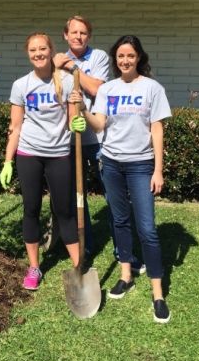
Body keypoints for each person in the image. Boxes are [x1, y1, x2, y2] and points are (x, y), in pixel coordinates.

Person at [69, 35, 172, 323]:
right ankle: (126, 275)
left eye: (130, 56)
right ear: (115, 60)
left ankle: (158, 293)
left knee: (148, 228)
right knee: (119, 220)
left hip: (141, 165)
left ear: (139, 58)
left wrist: (158, 169)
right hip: (111, 163)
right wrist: (84, 111)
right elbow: (100, 123)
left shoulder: (152, 88)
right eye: (120, 56)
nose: (125, 60)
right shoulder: (108, 89)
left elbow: (157, 130)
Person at [53, 16, 146, 274]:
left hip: (98, 139)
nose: (78, 36)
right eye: (74, 32)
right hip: (69, 140)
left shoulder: (100, 58)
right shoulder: (55, 61)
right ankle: (86, 248)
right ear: (65, 35)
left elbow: (97, 89)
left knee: (112, 196)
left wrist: (71, 67)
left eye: (83, 32)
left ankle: (123, 250)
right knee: (76, 198)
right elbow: (58, 96)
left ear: (89, 36)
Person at [0, 32, 86, 291]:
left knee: (65, 211)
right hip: (29, 154)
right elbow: (15, 127)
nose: (38, 54)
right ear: (28, 54)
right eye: (33, 50)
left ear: (51, 51)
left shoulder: (68, 81)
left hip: (59, 153)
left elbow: (72, 119)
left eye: (42, 49)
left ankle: (79, 265)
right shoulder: (21, 85)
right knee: (31, 210)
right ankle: (34, 267)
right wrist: (8, 161)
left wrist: (77, 122)